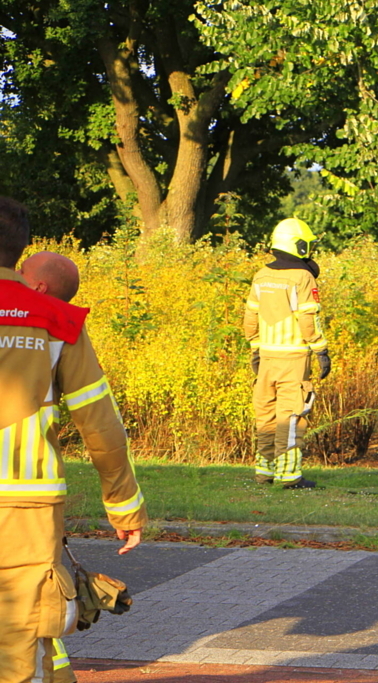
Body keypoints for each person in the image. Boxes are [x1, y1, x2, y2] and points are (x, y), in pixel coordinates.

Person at [0, 197, 147, 683]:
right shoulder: (56, 321)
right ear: (20, 253)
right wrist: (124, 505)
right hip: (26, 505)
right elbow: (100, 425)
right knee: (20, 637)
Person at [244, 218, 330, 489]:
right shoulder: (302, 277)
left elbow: (250, 316)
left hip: (266, 357)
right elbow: (308, 319)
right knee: (291, 415)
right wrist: (320, 349)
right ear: (300, 246)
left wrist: (255, 348)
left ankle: (265, 471)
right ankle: (290, 475)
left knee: (265, 414)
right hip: (293, 358)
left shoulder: (261, 275)